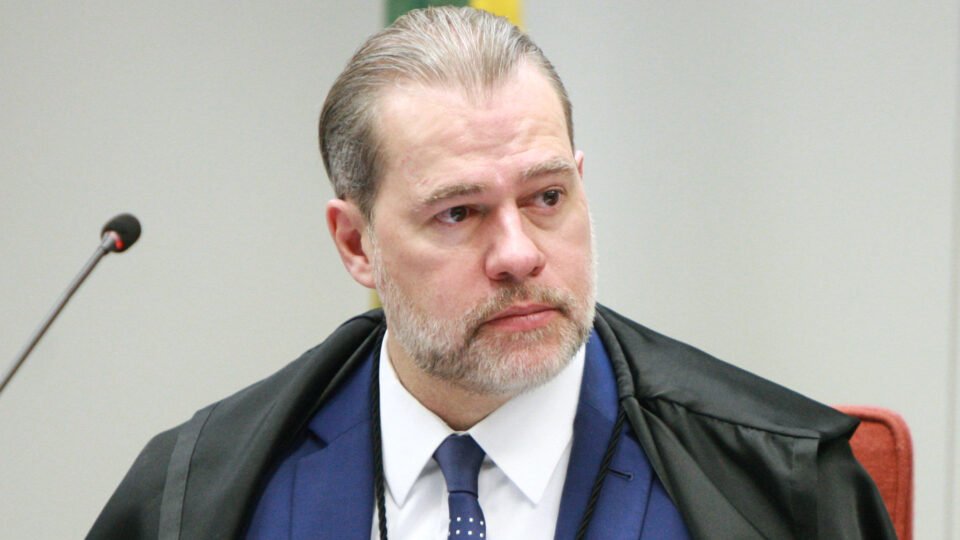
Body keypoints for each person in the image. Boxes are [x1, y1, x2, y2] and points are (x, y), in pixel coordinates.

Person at [89, 7, 894, 539]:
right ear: (356, 243)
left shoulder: (782, 484)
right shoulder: (192, 497)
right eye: (458, 213)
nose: (519, 253)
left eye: (547, 197)